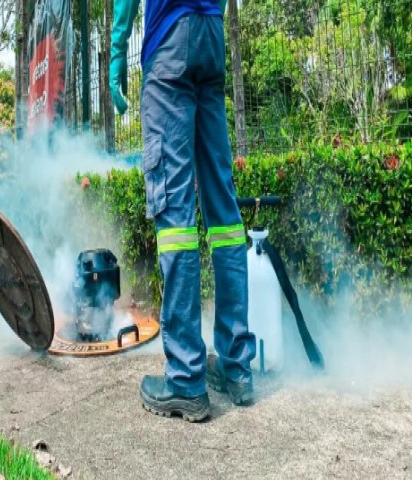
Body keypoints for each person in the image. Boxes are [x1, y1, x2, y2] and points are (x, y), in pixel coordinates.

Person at [110, 0, 256, 421]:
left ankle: (186, 378)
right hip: (211, 34)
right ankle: (236, 367)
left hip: (169, 39)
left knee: (174, 216)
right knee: (223, 212)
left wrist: (118, 52)